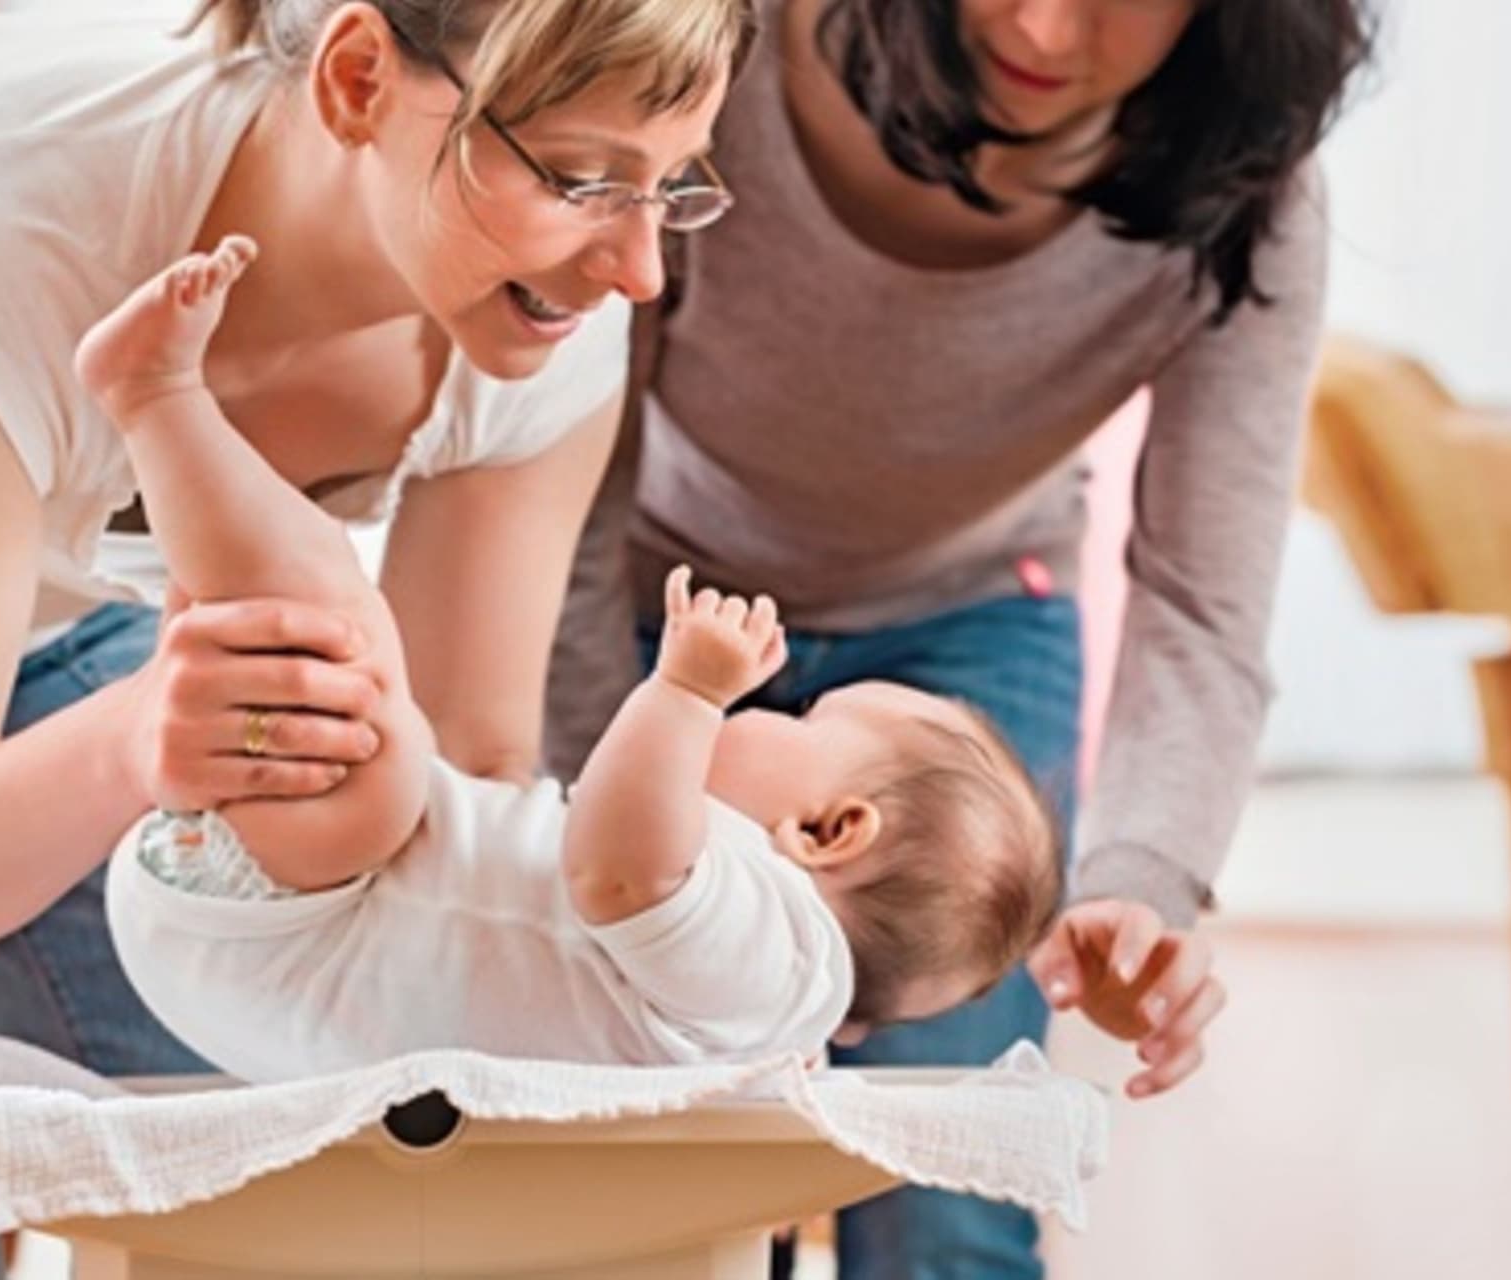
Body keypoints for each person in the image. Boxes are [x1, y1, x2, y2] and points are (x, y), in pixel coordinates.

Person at [0, 0, 753, 1272]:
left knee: (273, 1163)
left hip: (43, 617)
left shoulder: (549, 312)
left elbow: (462, 780)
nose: (638, 269)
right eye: (580, 177)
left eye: (673, 183)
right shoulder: (11, 217)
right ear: (358, 76)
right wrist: (128, 742)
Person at [544, 0, 1375, 1275]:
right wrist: (603, 785)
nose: (1045, 27)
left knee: (940, 1184)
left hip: (966, 630)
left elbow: (1202, 600)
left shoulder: (1242, 182)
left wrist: (1139, 884)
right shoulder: (725, 55)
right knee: (637, 1143)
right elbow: (567, 487)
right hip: (664, 618)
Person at [82, 234, 1062, 1076]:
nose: (776, 707)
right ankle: (198, 516)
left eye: (807, 720)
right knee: (323, 669)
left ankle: (155, 398)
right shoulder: (757, 1005)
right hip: (280, 939)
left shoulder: (773, 947)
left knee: (353, 662)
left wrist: (687, 691)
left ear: (828, 828)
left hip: (291, 925)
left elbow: (622, 870)